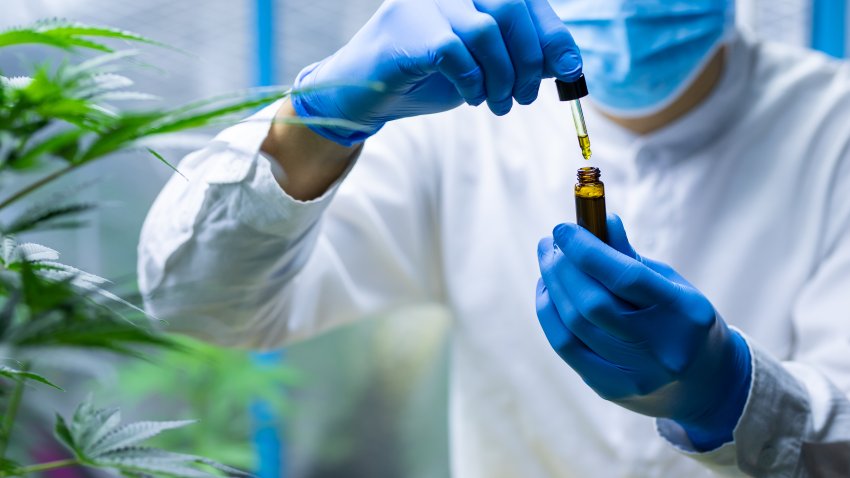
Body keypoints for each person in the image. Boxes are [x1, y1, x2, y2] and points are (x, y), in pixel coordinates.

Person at [139, 0, 850, 475]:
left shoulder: (834, 128)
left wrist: (731, 395)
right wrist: (321, 116)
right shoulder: (460, 116)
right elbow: (200, 302)